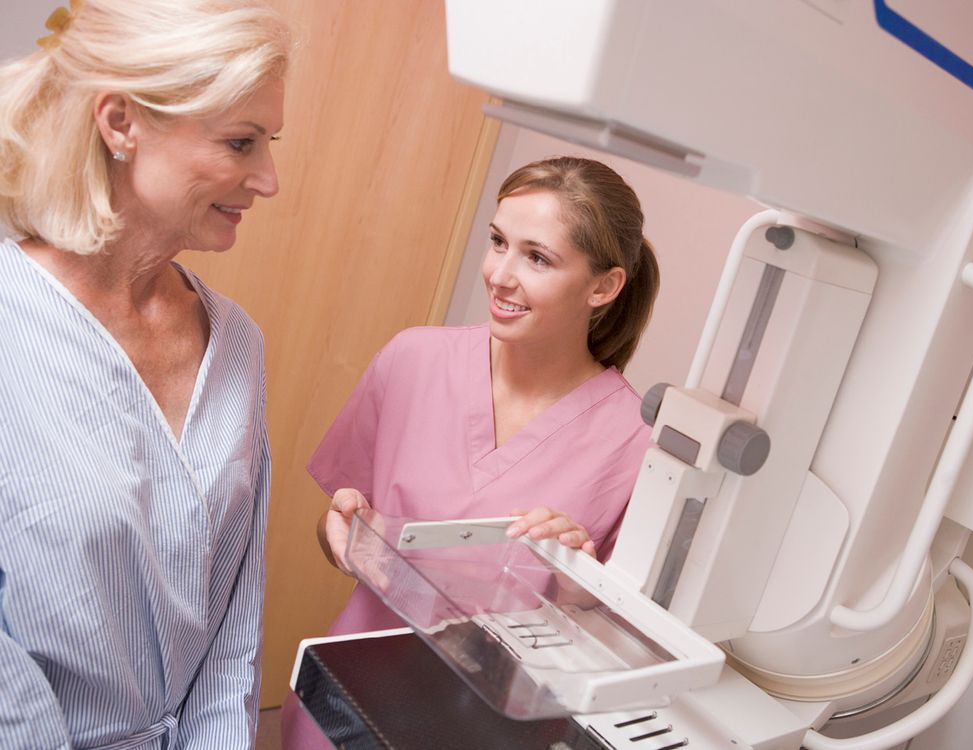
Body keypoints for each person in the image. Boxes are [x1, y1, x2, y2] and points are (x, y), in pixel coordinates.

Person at [281, 155, 661, 746]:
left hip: (485, 730)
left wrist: (571, 579)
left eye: (537, 257)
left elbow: (615, 646)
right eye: (497, 242)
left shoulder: (634, 445)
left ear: (604, 286)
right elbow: (339, 530)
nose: (500, 275)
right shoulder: (413, 360)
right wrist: (343, 536)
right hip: (342, 705)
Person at [0, 2, 290, 748]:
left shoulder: (235, 345)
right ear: (121, 123)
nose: (269, 178)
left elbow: (236, 622)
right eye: (240, 141)